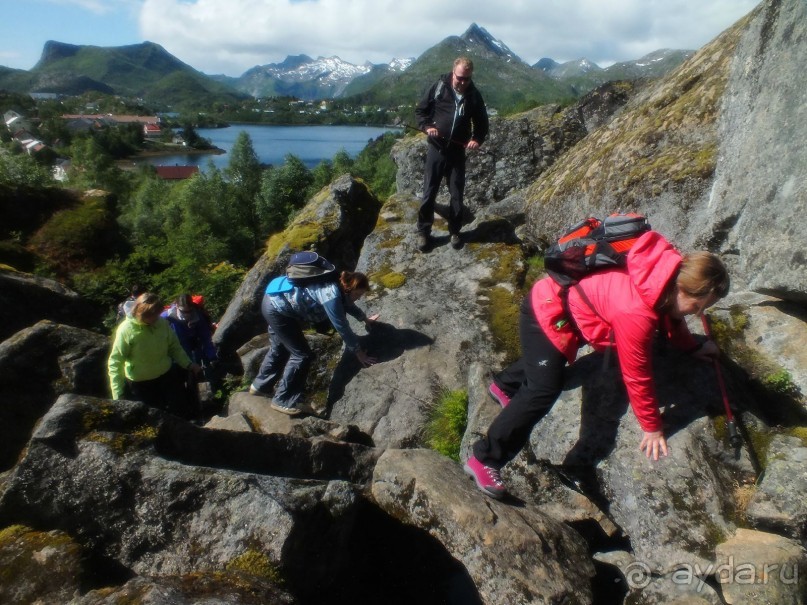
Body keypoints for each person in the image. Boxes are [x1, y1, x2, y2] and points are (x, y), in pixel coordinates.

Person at [464, 231, 730, 499]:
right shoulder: (636, 313)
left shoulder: (661, 276)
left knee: (548, 362)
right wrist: (652, 426)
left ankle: (504, 385)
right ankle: (486, 457)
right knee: (543, 390)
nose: (698, 314)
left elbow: (672, 319)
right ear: (682, 288)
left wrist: (693, 347)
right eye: (697, 306)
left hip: (574, 312)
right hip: (548, 311)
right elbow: (636, 375)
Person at [250, 270, 380, 416]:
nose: (358, 298)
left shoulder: (339, 287)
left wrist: (365, 319)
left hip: (274, 301)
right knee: (302, 355)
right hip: (278, 309)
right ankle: (282, 400)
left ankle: (260, 386)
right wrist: (359, 352)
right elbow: (342, 327)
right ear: (348, 289)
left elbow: (348, 304)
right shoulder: (331, 295)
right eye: (357, 294)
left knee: (280, 348)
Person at [415, 56, 489, 252]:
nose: (462, 82)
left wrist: (476, 139)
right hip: (436, 149)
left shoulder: (474, 95)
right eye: (459, 78)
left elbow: (482, 123)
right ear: (453, 72)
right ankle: (423, 232)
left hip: (457, 152)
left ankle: (455, 231)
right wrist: (427, 127)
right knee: (429, 192)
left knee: (457, 194)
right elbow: (421, 112)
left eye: (466, 79)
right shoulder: (439, 87)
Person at [108, 292, 202, 417]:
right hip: (141, 384)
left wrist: (188, 364)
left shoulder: (161, 323)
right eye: (153, 316)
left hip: (166, 375)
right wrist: (118, 394)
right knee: (153, 417)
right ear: (142, 314)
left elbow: (174, 347)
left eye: (157, 314)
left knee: (179, 411)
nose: (156, 318)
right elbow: (115, 362)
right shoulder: (126, 330)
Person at [161, 294, 218, 366]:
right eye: (184, 311)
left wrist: (212, 356)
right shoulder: (166, 317)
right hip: (175, 351)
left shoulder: (198, 316)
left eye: (189, 311)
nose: (187, 314)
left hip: (195, 346)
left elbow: (206, 337)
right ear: (177, 306)